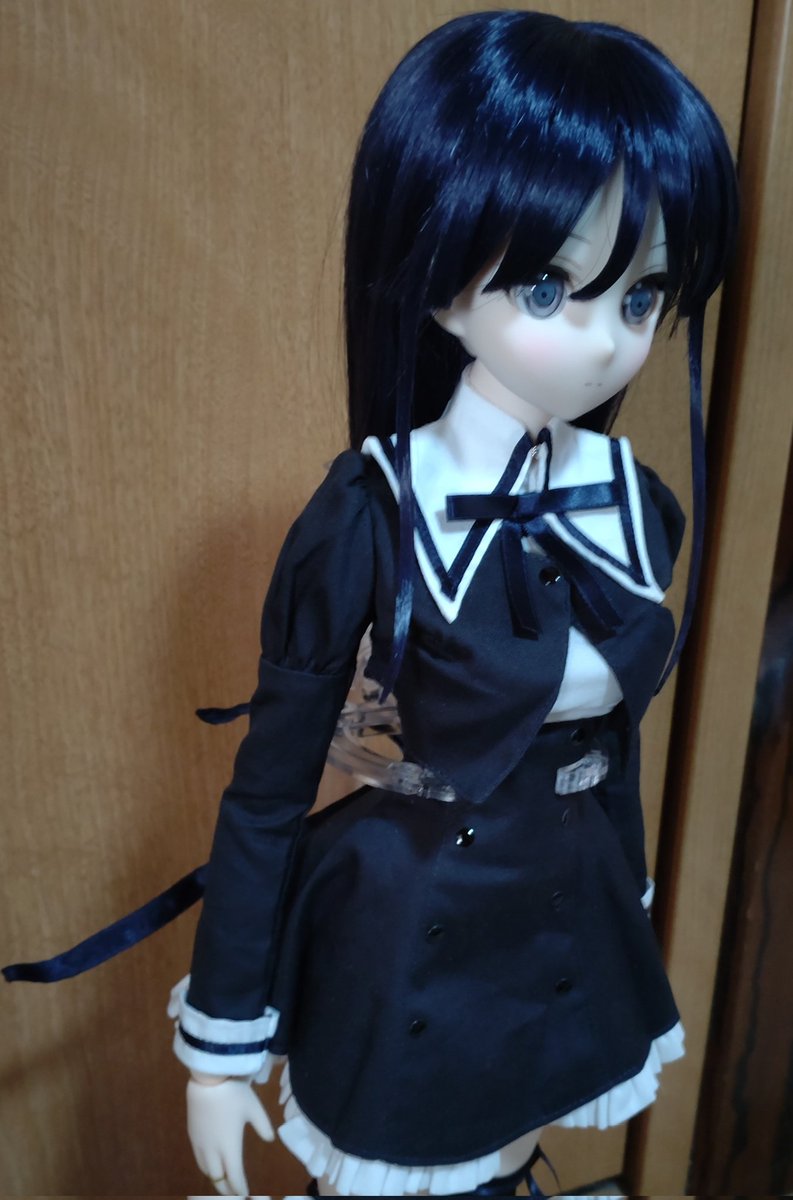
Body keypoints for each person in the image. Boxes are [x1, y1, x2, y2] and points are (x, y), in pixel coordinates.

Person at [167, 11, 739, 1197]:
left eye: (640, 298)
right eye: (549, 286)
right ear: (436, 283)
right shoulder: (372, 509)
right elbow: (268, 791)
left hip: (564, 918)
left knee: (511, 1152)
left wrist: (624, 896)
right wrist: (218, 1048)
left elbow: (614, 746)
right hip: (406, 923)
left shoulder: (631, 504)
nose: (604, 345)